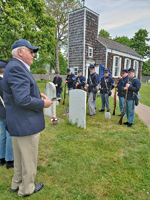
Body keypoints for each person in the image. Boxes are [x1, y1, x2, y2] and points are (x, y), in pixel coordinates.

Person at [2, 39, 53, 197]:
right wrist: (42, 103)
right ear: (20, 52)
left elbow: (18, 94)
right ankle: (26, 189)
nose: (33, 54)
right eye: (30, 51)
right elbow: (22, 99)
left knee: (19, 159)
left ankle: (16, 184)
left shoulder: (13, 67)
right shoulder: (17, 68)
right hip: (26, 123)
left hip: (18, 122)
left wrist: (37, 94)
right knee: (29, 159)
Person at [0, 60, 14, 169]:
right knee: (9, 134)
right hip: (6, 110)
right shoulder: (3, 81)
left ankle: (1, 158)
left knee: (3, 134)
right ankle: (9, 160)